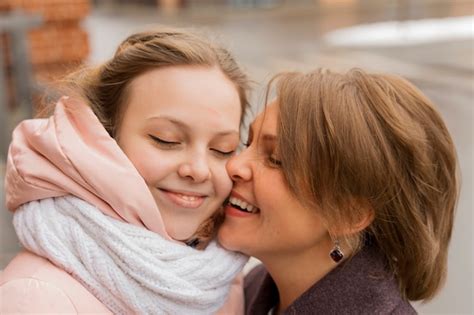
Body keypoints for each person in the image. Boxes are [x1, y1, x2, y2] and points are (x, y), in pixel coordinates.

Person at [0, 27, 250, 314]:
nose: (198, 170)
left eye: (222, 149)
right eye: (165, 139)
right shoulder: (36, 299)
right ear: (101, 138)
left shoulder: (217, 275)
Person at [218, 68, 459, 314]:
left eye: (277, 159)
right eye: (246, 144)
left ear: (349, 213)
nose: (234, 165)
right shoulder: (249, 288)